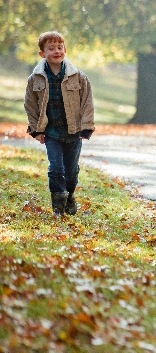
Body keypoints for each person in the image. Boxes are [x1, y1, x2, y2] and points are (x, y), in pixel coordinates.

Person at [24, 31, 95, 217]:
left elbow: (87, 102)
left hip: (74, 131)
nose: (56, 51)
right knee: (56, 169)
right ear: (42, 54)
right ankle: (58, 207)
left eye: (59, 47)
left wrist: (86, 127)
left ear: (65, 49)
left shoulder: (78, 77)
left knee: (71, 171)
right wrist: (36, 130)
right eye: (51, 48)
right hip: (51, 132)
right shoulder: (35, 79)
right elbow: (30, 106)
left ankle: (70, 194)